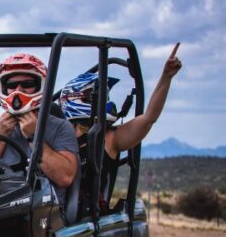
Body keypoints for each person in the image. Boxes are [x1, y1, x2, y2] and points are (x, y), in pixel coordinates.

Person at [59, 43, 182, 207]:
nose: (104, 102)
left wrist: (166, 77)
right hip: (54, 218)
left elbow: (149, 118)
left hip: (88, 222)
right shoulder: (55, 137)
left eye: (105, 97)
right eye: (95, 97)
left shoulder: (109, 139)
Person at [0, 53, 79, 207]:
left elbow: (65, 177)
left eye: (27, 84)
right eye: (11, 85)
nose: (18, 90)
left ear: (40, 86)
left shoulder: (60, 127)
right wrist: (0, 137)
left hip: (44, 213)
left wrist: (33, 136)